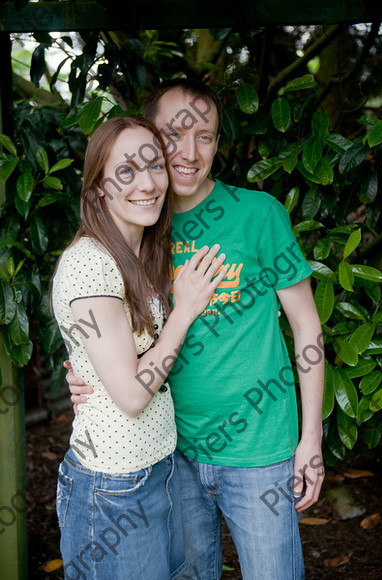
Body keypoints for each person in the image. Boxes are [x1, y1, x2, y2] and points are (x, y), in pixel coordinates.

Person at [67, 80, 325, 580]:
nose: (189, 152)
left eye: (204, 136)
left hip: (260, 453)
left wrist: (310, 439)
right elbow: (107, 326)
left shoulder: (258, 215)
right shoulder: (137, 227)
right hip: (170, 453)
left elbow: (308, 328)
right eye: (172, 135)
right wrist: (86, 371)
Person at [51, 114, 227, 580]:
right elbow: (130, 395)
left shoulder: (137, 257)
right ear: (98, 190)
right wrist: (185, 311)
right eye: (126, 171)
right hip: (113, 487)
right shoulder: (90, 265)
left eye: (154, 165)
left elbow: (118, 358)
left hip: (156, 470)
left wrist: (87, 370)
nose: (147, 182)